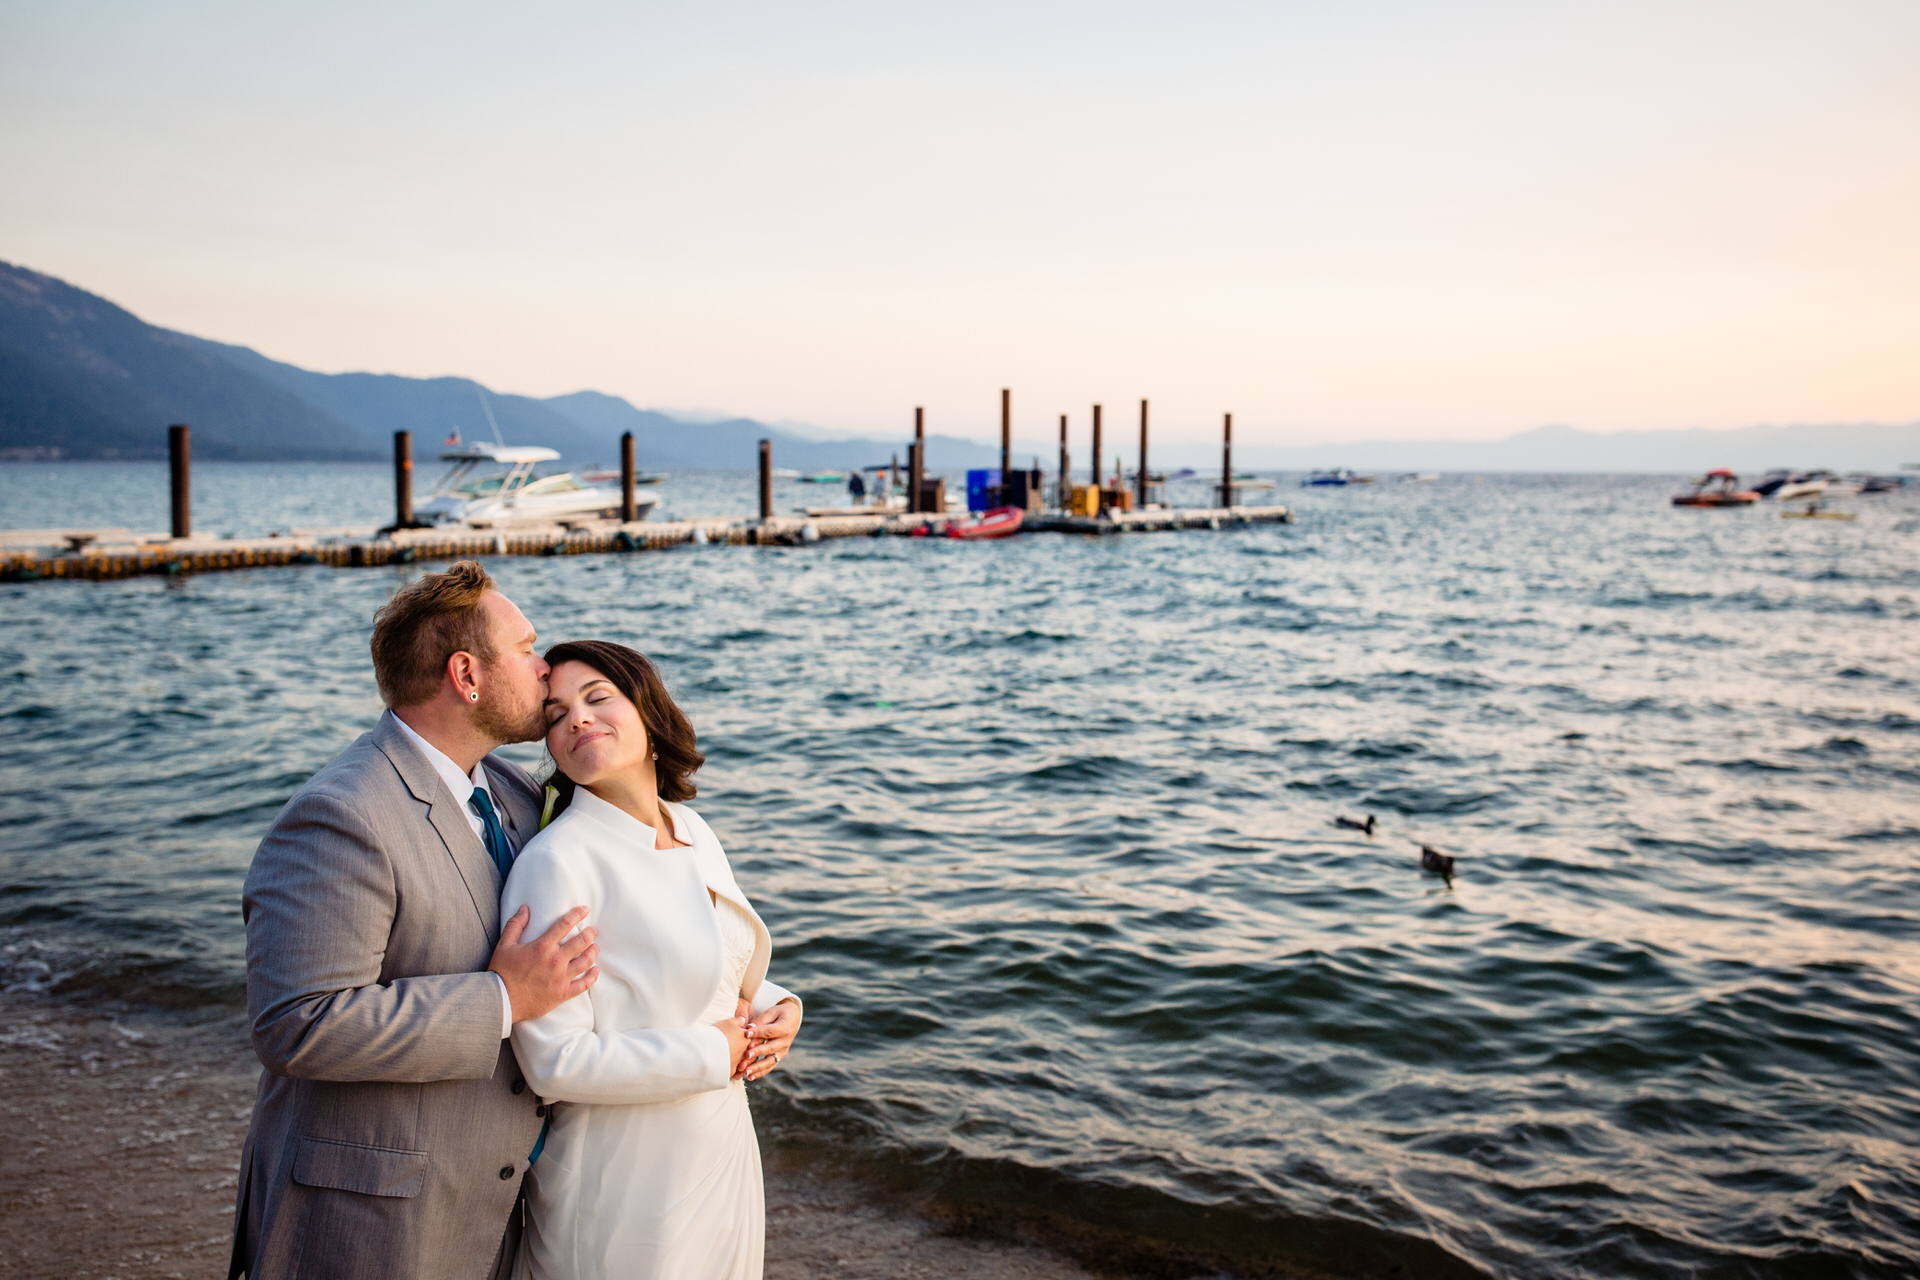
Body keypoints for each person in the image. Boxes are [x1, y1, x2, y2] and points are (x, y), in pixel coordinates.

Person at [230, 562, 601, 1280]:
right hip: (367, 1221)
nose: (545, 667)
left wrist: (747, 998)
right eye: (527, 648)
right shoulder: (341, 815)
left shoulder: (514, 792)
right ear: (466, 675)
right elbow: (296, 1023)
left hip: (493, 1206)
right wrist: (503, 999)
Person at [503, 640, 803, 1280]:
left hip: (721, 1151)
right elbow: (554, 1062)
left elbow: (704, 965)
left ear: (648, 711)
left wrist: (777, 1007)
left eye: (597, 697)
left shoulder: (692, 830)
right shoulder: (557, 863)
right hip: (623, 1186)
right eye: (556, 714)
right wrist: (713, 1052)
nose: (578, 719)